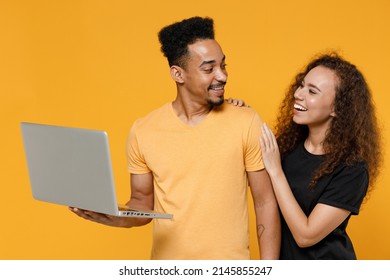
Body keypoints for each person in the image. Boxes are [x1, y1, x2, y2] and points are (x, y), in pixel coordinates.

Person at [70, 16, 280, 260]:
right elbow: (142, 204)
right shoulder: (143, 130)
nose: (222, 76)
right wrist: (114, 216)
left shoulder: (246, 121)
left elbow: (265, 202)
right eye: (209, 68)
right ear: (178, 74)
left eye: (223, 65)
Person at [259, 53, 382, 259]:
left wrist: (276, 171)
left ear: (336, 108)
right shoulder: (286, 147)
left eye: (312, 91)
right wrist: (235, 112)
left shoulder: (353, 169)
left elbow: (305, 236)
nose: (299, 94)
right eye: (302, 85)